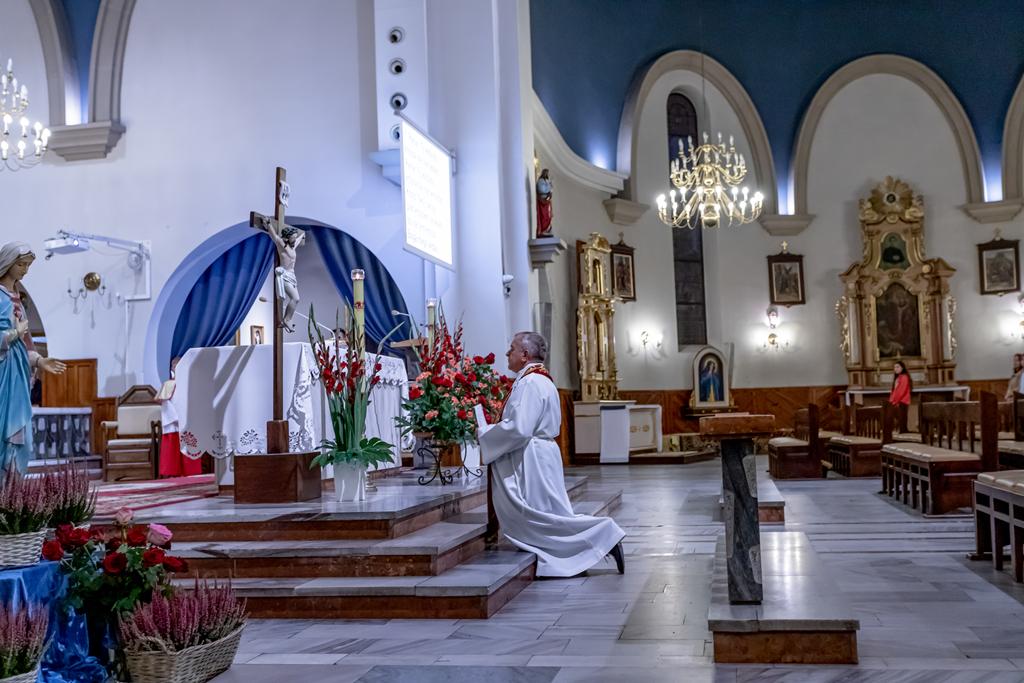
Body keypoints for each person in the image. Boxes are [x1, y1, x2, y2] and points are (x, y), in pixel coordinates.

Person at [478, 331, 625, 577]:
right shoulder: (540, 380)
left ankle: (605, 534)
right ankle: (580, 550)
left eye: (512, 349)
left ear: (525, 355)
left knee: (537, 515)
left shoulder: (530, 383)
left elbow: (520, 428)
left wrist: (485, 433)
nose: (507, 353)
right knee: (547, 514)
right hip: (539, 454)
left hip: (531, 458)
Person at [0, 242, 66, 473]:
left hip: (17, 374)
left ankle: (13, 488)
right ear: (8, 262)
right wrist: (13, 333)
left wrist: (39, 360)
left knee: (22, 439)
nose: (25, 270)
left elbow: (25, 344)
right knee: (5, 435)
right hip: (3, 376)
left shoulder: (16, 298)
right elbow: (13, 336)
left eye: (28, 265)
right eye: (21, 264)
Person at [156, 357, 201, 478]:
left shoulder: (192, 383)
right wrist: (175, 417)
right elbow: (163, 401)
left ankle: (191, 472)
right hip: (173, 423)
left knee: (189, 443)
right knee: (172, 446)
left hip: (189, 420)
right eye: (175, 366)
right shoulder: (168, 384)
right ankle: (172, 473)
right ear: (172, 369)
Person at [889, 360, 912, 433]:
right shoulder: (898, 377)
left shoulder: (904, 377)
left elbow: (901, 391)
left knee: (902, 420)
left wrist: (894, 401)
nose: (895, 369)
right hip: (898, 401)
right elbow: (894, 391)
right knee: (900, 420)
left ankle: (903, 433)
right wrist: (891, 400)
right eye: (894, 367)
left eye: (897, 367)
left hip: (902, 401)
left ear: (902, 368)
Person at [536, 169, 553, 237]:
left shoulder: (547, 181)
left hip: (547, 200)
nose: (547, 174)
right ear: (543, 173)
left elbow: (551, 189)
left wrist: (550, 190)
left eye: (547, 173)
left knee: (548, 215)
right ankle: (542, 230)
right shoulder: (540, 181)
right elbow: (541, 189)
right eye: (546, 173)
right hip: (542, 200)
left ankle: (546, 230)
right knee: (543, 216)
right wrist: (548, 188)